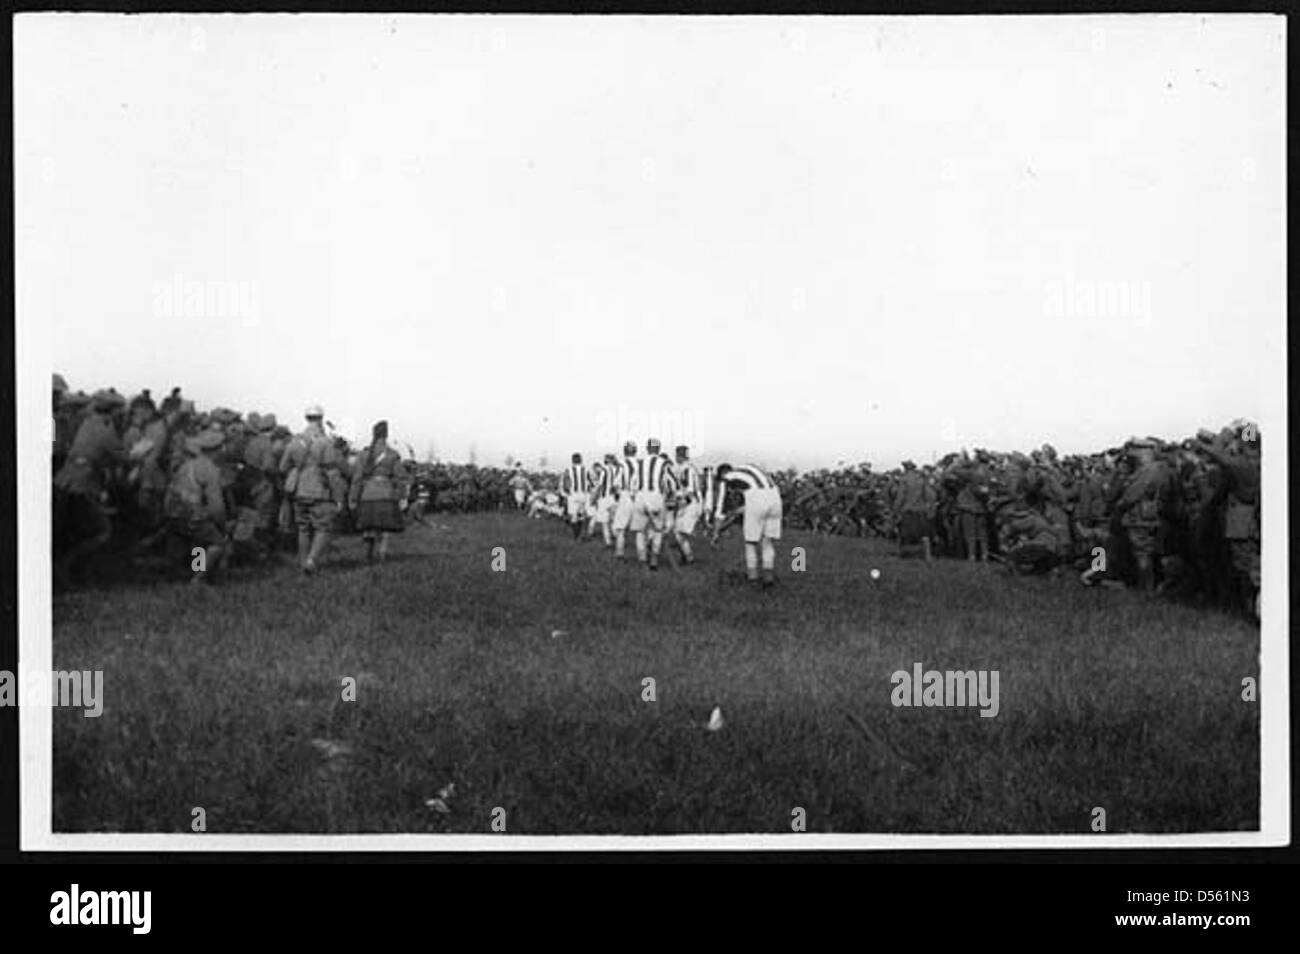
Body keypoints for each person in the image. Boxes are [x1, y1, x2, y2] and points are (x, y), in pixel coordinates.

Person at [53, 389, 126, 585]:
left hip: (65, 480)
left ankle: (70, 570)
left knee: (72, 529)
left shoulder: (86, 423)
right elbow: (121, 456)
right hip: (82, 485)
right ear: (113, 411)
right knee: (101, 531)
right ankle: (69, 566)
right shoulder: (105, 430)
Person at [280, 403, 344, 574]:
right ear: (321, 418)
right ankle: (311, 560)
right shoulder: (325, 442)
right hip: (319, 491)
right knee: (323, 527)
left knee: (303, 528)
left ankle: (302, 562)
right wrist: (338, 497)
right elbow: (332, 473)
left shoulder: (294, 441)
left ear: (306, 418)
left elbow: (282, 467)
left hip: (298, 490)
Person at [165, 428, 229, 584]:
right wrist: (222, 525)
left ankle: (193, 571)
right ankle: (198, 577)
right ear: (218, 449)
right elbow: (217, 506)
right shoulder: (211, 470)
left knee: (199, 543)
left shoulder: (186, 465)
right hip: (194, 515)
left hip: (176, 512)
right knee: (218, 543)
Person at [710, 462, 783, 587]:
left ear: (722, 474)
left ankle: (753, 580)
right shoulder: (748, 471)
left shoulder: (726, 480)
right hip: (776, 497)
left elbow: (719, 510)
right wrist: (731, 518)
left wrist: (716, 533)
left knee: (751, 543)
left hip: (756, 497)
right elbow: (747, 507)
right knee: (767, 542)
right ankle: (768, 580)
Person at [349, 420, 410, 563]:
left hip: (367, 494)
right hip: (386, 494)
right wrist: (402, 496)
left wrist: (352, 498)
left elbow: (357, 479)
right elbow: (401, 478)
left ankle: (368, 555)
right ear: (387, 435)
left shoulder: (363, 455)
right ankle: (382, 554)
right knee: (385, 527)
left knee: (369, 525)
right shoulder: (392, 454)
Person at [629, 437, 677, 570]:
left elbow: (632, 485)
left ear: (647, 449)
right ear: (659, 449)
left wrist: (635, 497)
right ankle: (654, 560)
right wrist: (670, 496)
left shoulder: (639, 463)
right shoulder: (664, 463)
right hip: (657, 498)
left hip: (640, 498)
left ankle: (642, 560)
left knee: (640, 531)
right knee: (658, 531)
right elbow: (671, 484)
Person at [892, 460, 936, 561]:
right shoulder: (921, 479)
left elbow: (900, 496)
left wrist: (895, 510)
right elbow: (930, 496)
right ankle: (927, 556)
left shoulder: (904, 480)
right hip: (921, 510)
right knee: (924, 534)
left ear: (905, 468)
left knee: (904, 534)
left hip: (908, 510)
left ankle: (902, 556)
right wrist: (931, 510)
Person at [670, 444, 703, 566]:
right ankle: (687, 558)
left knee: (680, 533)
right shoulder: (684, 468)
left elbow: (690, 490)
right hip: (687, 503)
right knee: (678, 533)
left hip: (691, 503)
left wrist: (678, 497)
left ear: (680, 456)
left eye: (677, 455)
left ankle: (689, 559)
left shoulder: (688, 469)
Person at [610, 440, 639, 560]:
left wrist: (616, 495)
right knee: (640, 530)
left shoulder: (622, 465)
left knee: (620, 528)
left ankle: (619, 553)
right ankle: (644, 555)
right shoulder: (641, 464)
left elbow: (615, 484)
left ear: (624, 451)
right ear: (635, 452)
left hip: (626, 495)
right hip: (639, 496)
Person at [560, 452, 590, 541]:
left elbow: (565, 483)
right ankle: (579, 534)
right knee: (581, 515)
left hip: (573, 494)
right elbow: (591, 483)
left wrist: (565, 494)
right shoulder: (586, 470)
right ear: (581, 460)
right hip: (583, 494)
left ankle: (576, 536)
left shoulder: (568, 470)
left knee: (573, 516)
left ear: (572, 460)